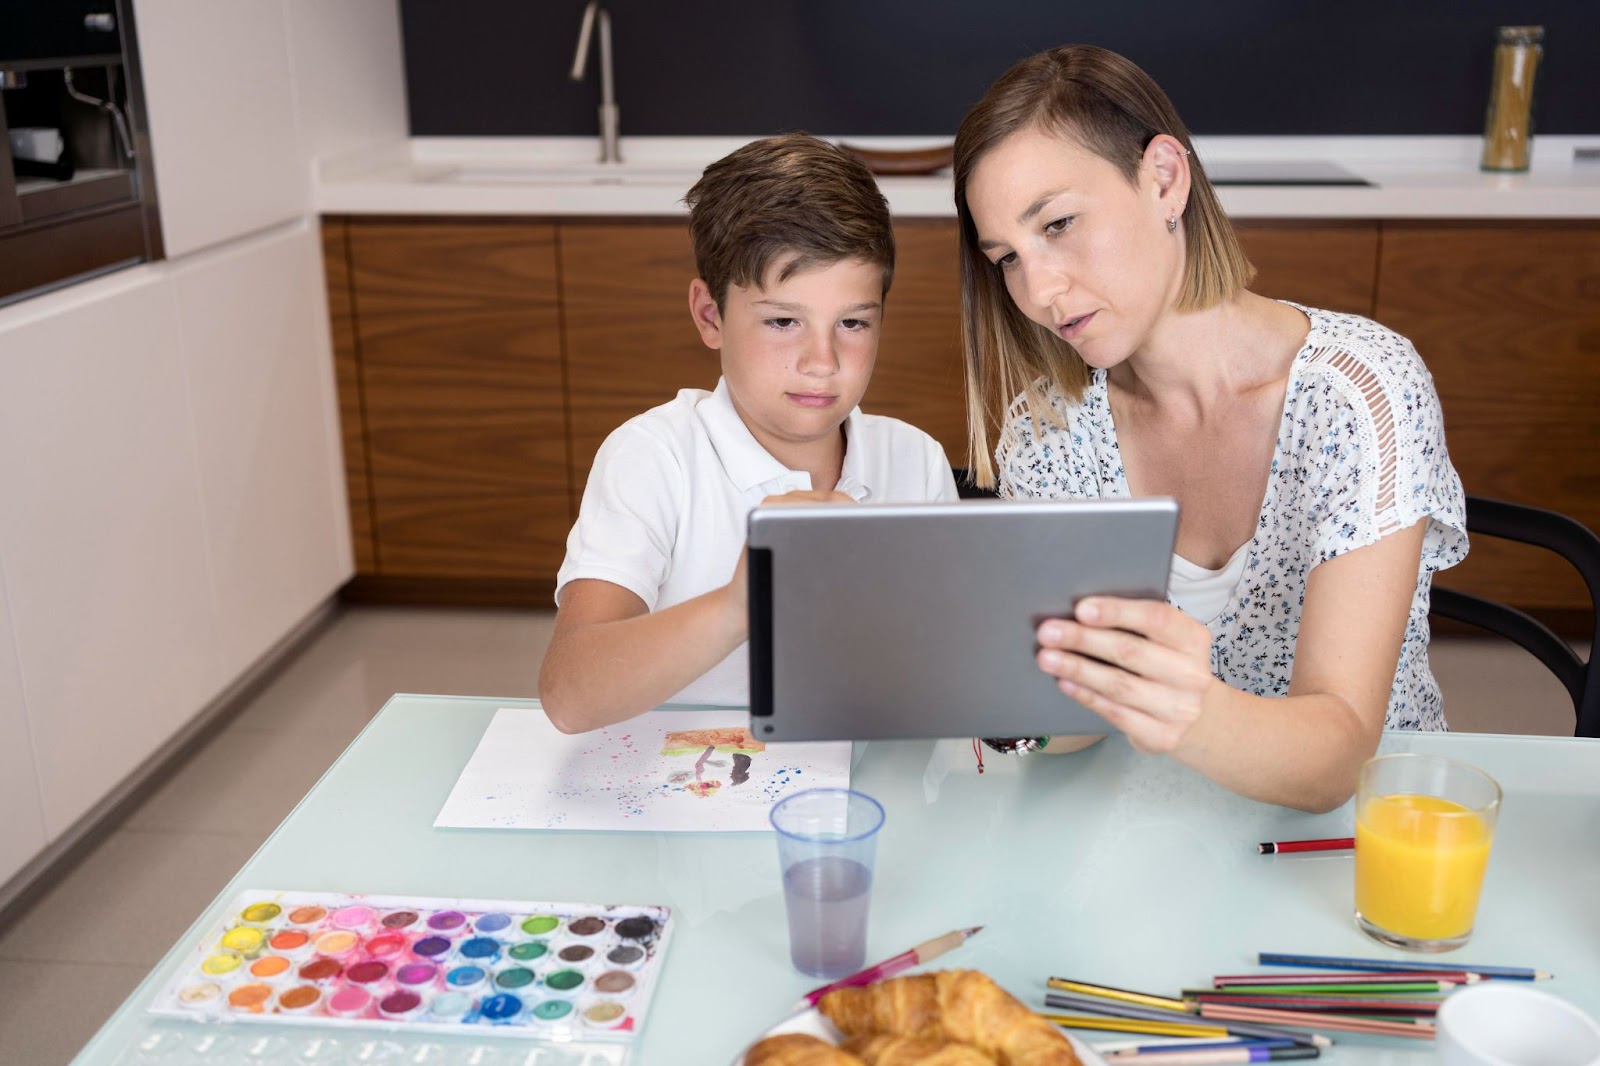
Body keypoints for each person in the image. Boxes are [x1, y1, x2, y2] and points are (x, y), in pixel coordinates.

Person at [953, 46, 1467, 811]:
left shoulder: (1362, 394)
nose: (1038, 290)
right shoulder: (1047, 428)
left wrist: (1186, 708)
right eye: (1007, 258)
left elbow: (1336, 757)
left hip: (1365, 840)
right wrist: (1003, 703)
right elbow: (1083, 720)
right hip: (1158, 826)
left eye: (1058, 224)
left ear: (1165, 178)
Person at [539, 133, 960, 734]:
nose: (823, 360)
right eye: (784, 321)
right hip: (683, 797)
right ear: (710, 315)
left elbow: (944, 665)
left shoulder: (914, 460)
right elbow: (568, 694)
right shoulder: (654, 458)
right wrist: (740, 606)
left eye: (853, 322)